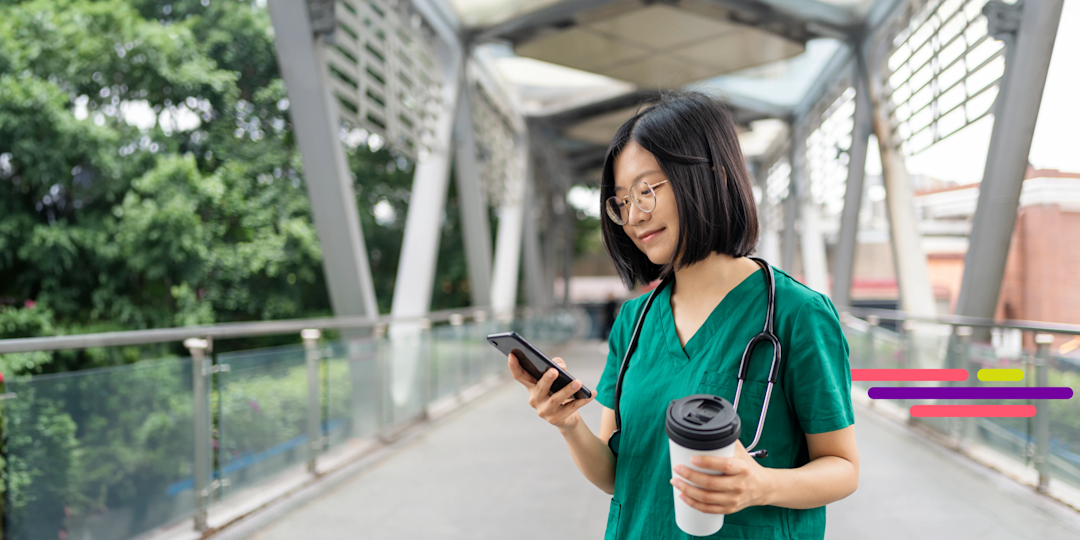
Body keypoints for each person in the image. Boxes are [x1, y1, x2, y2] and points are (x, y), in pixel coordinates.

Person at [507, 91, 858, 539]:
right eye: (622, 202)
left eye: (646, 191)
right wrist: (568, 424)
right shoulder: (633, 323)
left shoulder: (797, 314)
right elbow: (618, 475)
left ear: (711, 176)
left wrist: (761, 485)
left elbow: (843, 466)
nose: (634, 216)